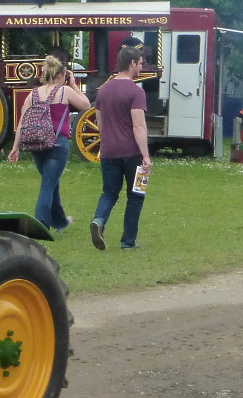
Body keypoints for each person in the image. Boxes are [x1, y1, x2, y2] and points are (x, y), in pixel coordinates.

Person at [8, 55, 90, 233]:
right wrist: (74, 84)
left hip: (36, 144)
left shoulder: (33, 94)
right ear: (61, 75)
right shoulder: (64, 91)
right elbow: (86, 105)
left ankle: (60, 222)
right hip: (57, 143)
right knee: (47, 186)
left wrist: (15, 147)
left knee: (51, 183)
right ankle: (40, 226)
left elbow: (22, 122)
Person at [89, 46, 151, 251]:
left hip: (108, 152)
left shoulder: (103, 90)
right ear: (132, 63)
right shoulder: (136, 92)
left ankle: (99, 220)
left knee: (109, 193)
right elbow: (138, 125)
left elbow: (100, 123)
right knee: (136, 196)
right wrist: (146, 156)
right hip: (132, 152)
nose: (141, 68)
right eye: (140, 63)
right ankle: (128, 242)